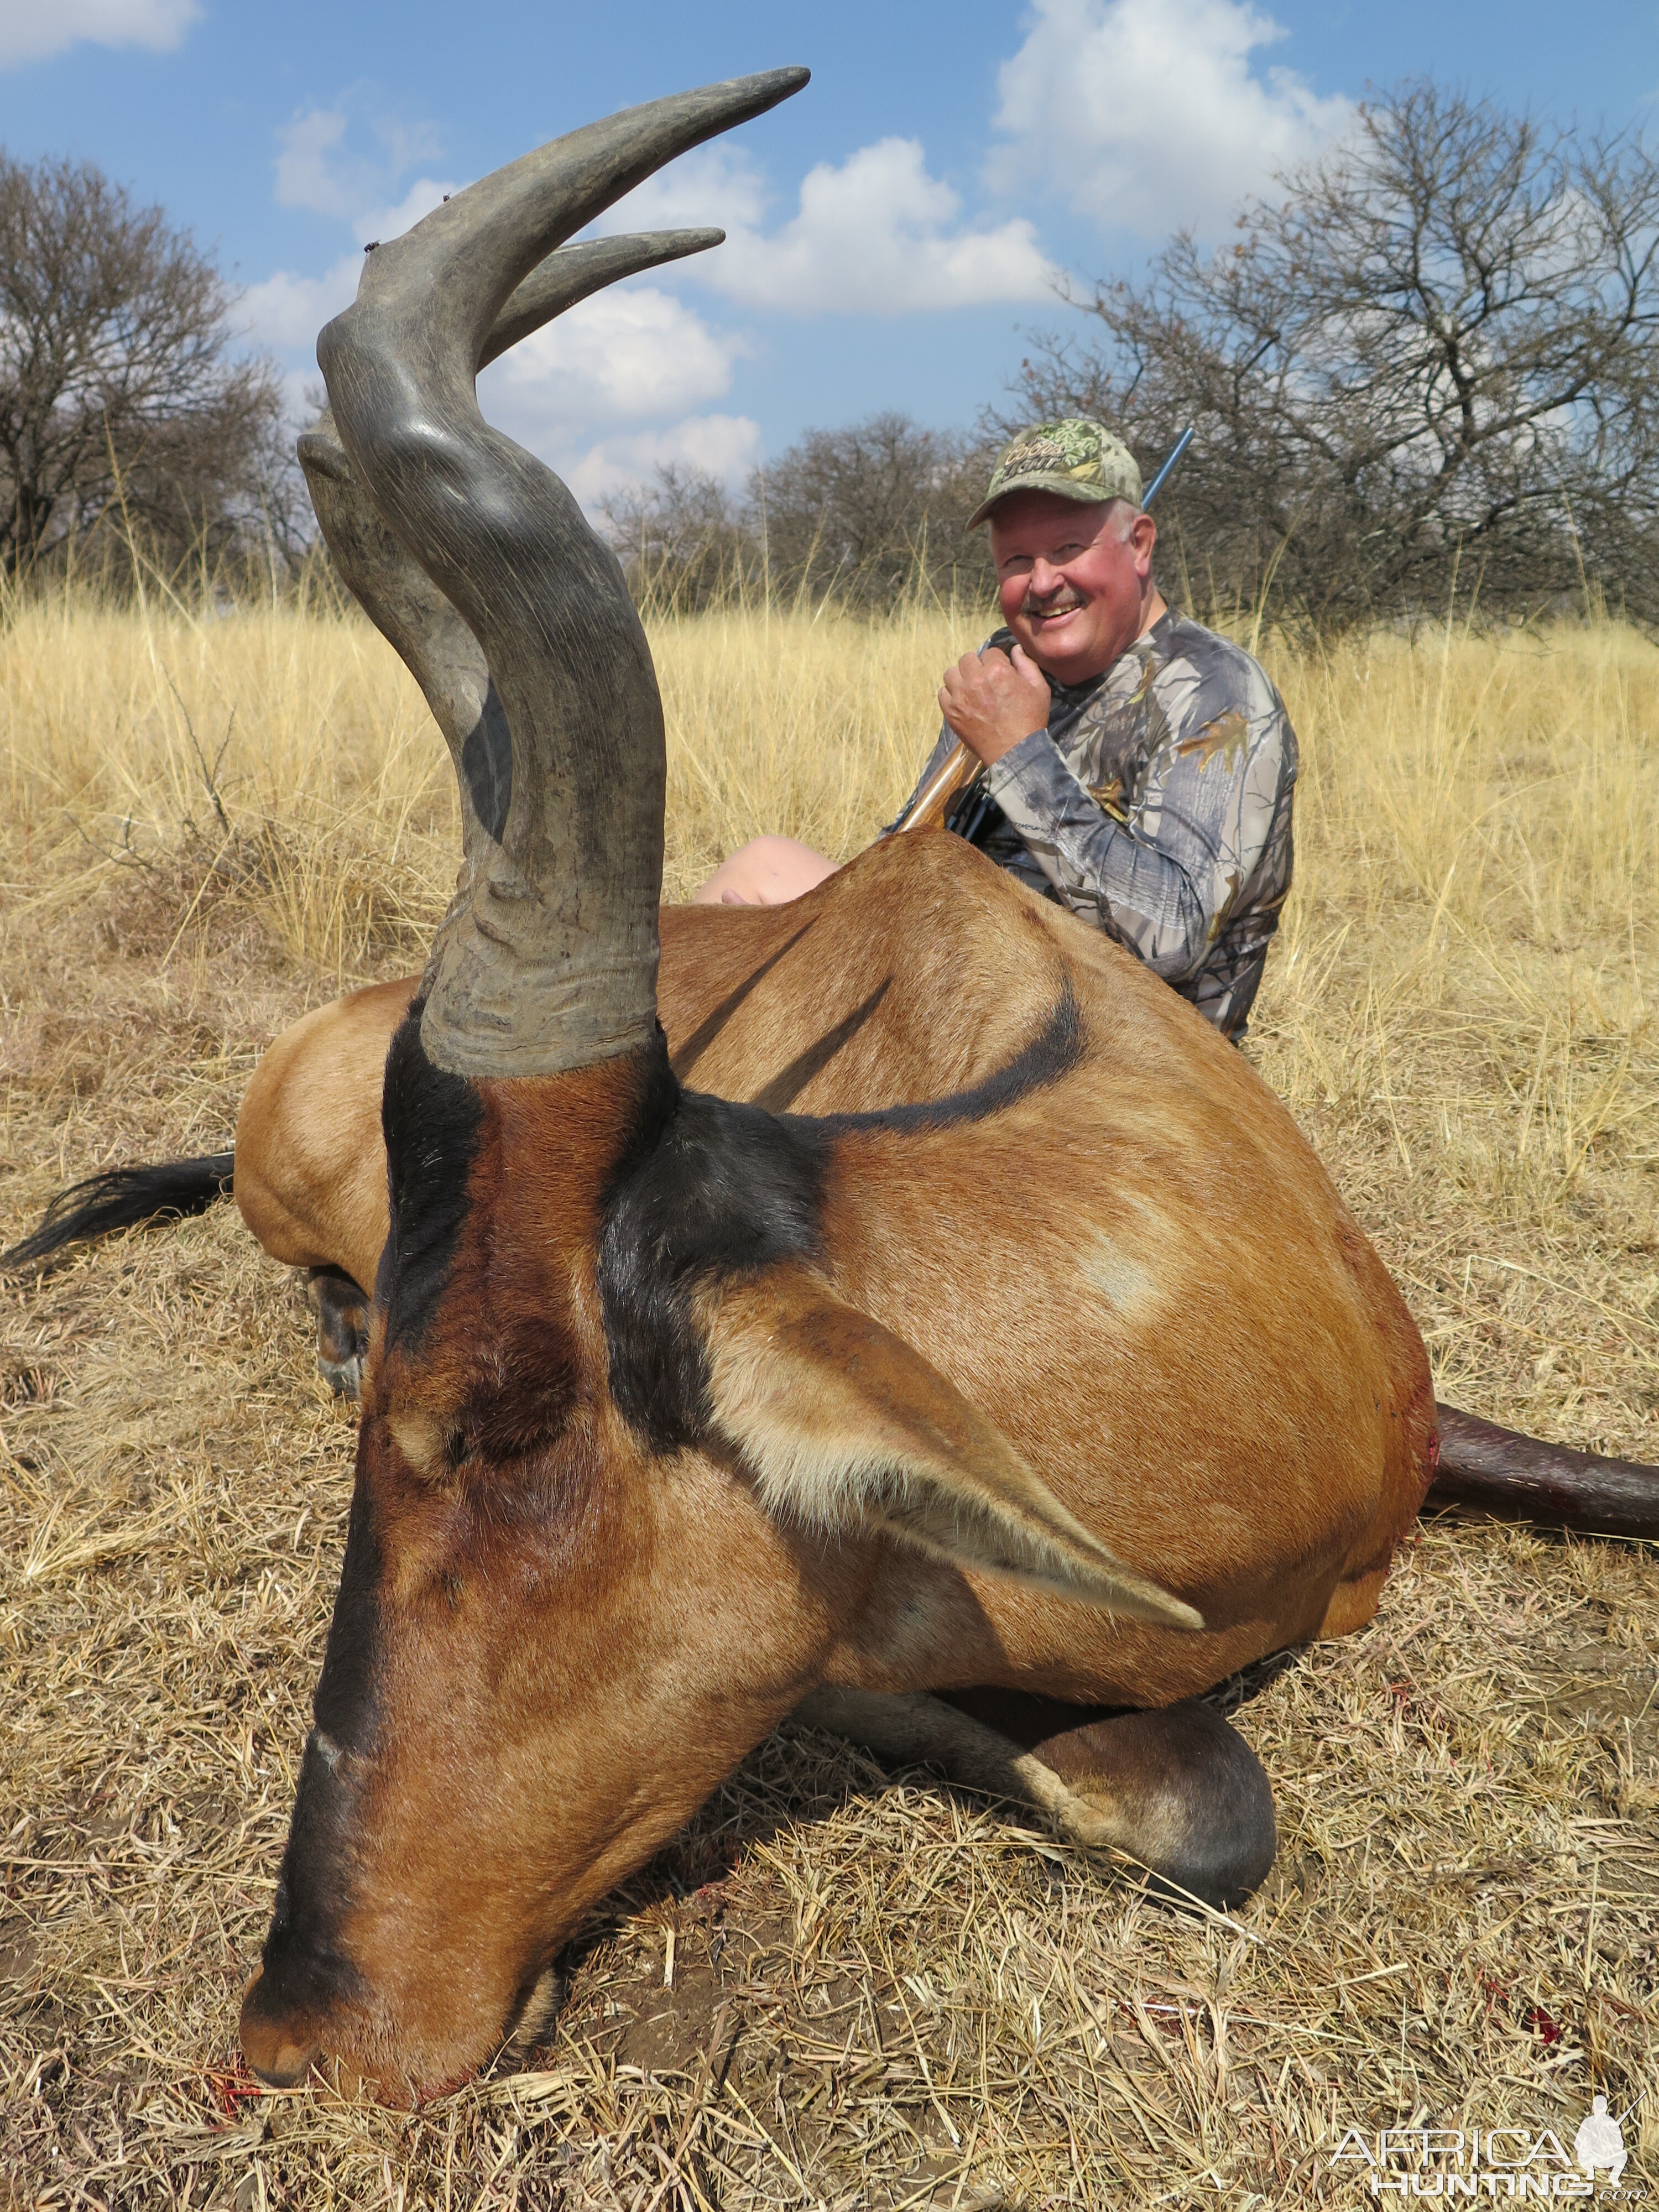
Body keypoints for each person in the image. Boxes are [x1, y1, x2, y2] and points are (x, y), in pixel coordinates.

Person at [695, 417, 1298, 1041]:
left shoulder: (1217, 691)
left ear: (1139, 544)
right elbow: (918, 846)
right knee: (757, 875)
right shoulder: (1006, 664)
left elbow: (1172, 938)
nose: (1042, 582)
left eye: (1068, 549)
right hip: (967, 973)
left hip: (1113, 1049)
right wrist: (801, 933)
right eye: (1017, 559)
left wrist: (1018, 754)